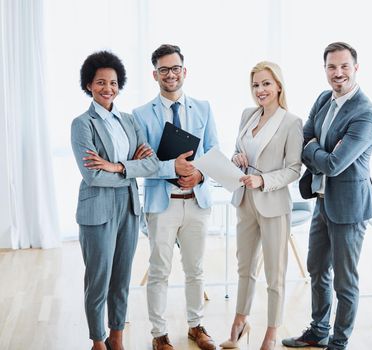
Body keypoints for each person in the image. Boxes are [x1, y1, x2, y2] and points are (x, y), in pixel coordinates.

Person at [282, 42, 372, 350]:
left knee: (344, 281)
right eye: (331, 67)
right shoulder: (324, 98)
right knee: (317, 269)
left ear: (356, 68)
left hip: (349, 208)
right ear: (325, 69)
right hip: (322, 200)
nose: (338, 73)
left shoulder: (365, 113)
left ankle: (338, 342)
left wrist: (315, 149)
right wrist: (317, 149)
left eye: (344, 66)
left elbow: (336, 165)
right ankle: (319, 330)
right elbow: (304, 138)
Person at [71, 51, 159, 350]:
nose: (107, 88)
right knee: (99, 278)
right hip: (98, 208)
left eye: (113, 82)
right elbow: (92, 175)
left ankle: (116, 337)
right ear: (88, 85)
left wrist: (116, 166)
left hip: (129, 207)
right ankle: (98, 340)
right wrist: (128, 169)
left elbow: (152, 164)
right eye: (100, 82)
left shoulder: (129, 120)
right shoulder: (82, 124)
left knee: (121, 278)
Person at [133, 44, 219, 350]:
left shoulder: (204, 108)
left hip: (196, 201)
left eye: (175, 68)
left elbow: (212, 151)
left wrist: (200, 174)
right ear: (154, 74)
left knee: (195, 269)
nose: (171, 74)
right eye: (164, 69)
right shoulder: (140, 115)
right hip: (162, 204)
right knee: (159, 270)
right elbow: (142, 164)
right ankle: (159, 333)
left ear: (185, 71)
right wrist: (173, 166)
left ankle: (196, 326)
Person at [220, 61, 303, 350]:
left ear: (278, 85)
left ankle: (271, 333)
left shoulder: (291, 123)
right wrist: (236, 158)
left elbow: (294, 169)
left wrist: (264, 181)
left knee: (274, 274)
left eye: (266, 83)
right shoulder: (247, 115)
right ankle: (239, 323)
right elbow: (237, 151)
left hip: (273, 204)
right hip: (244, 201)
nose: (260, 90)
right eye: (256, 85)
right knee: (245, 268)